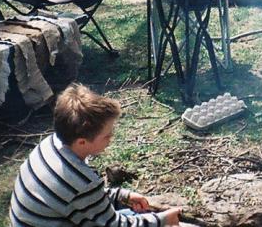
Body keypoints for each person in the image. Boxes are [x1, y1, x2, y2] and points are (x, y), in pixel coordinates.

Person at [10, 83, 180, 227]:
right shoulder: (80, 180)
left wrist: (122, 196)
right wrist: (163, 219)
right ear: (82, 142)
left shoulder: (51, 143)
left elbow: (78, 199)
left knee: (132, 215)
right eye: (107, 135)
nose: (111, 138)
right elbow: (114, 225)